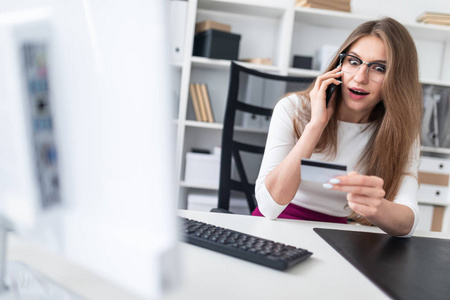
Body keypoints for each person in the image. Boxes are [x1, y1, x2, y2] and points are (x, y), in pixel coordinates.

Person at [252, 17, 423, 237]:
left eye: (379, 68)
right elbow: (269, 207)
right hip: (272, 227)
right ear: (339, 65)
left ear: (397, 80)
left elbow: (407, 224)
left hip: (335, 234)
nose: (360, 78)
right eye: (353, 61)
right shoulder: (293, 109)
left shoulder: (402, 134)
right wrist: (315, 125)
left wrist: (375, 207)